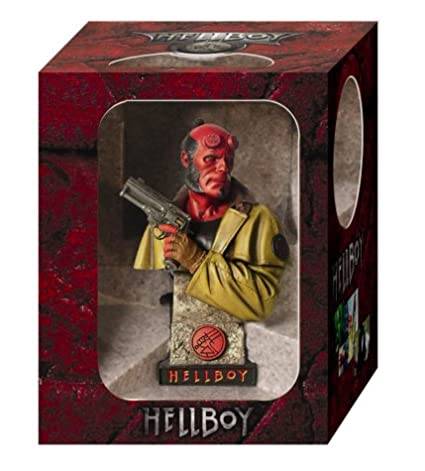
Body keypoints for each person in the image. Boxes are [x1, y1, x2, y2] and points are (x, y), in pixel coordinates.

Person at [133, 120, 288, 322]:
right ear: (186, 159)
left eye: (228, 160)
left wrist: (196, 260)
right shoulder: (164, 223)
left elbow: (265, 303)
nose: (223, 167)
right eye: (210, 158)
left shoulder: (260, 221)